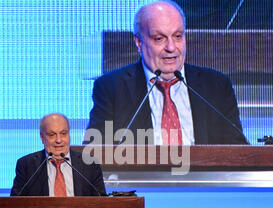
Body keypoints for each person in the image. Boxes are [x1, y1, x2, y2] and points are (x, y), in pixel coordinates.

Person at [84, 0, 248, 145]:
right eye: (159, 39)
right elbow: (95, 153)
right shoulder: (111, 88)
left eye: (178, 36)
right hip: (139, 179)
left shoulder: (216, 86)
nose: (171, 47)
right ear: (139, 42)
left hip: (205, 180)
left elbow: (238, 151)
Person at [11, 113, 106, 196]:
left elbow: (101, 200)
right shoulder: (27, 165)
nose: (59, 140)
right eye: (52, 135)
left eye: (63, 133)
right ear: (42, 137)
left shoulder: (89, 163)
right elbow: (15, 202)